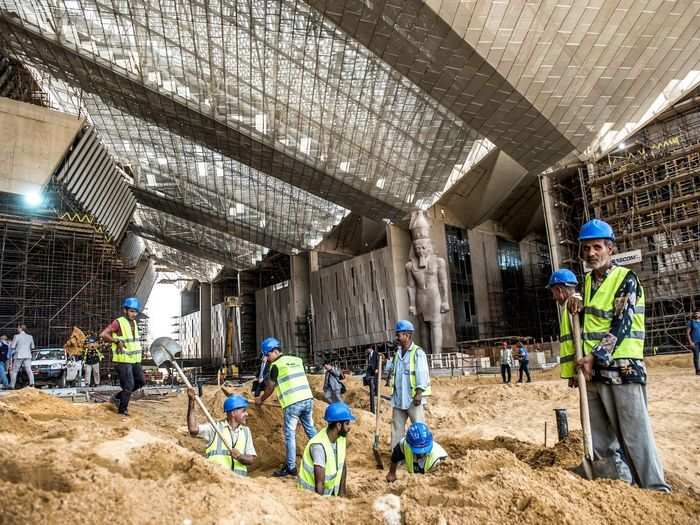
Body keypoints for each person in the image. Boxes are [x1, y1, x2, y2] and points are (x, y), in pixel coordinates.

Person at [568, 218, 670, 492]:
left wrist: (596, 356)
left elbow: (622, 324)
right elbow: (588, 324)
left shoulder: (626, 279)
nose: (591, 253)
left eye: (597, 247)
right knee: (601, 439)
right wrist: (574, 302)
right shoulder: (587, 283)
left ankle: (656, 489)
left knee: (635, 436)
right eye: (586, 248)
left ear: (610, 248)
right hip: (593, 372)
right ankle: (618, 488)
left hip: (623, 369)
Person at [255, 337, 316, 477]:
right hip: (307, 398)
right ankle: (325, 451)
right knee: (310, 429)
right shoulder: (297, 360)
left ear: (275, 351)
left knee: (290, 435)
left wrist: (261, 399)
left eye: (267, 355)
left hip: (292, 403)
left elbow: (270, 387)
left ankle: (291, 466)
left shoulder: (275, 366)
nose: (267, 358)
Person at [186, 388, 256, 475]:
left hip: (239, 485)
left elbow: (251, 459)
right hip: (218, 482)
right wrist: (191, 401)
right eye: (243, 411)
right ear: (233, 413)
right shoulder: (215, 428)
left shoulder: (246, 432)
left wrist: (239, 457)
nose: (247, 414)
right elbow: (193, 429)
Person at [100, 297, 145, 416]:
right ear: (125, 310)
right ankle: (122, 411)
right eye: (131, 311)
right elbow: (103, 334)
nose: (134, 314)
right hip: (123, 360)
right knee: (129, 385)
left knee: (141, 381)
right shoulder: (118, 322)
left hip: (134, 359)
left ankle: (117, 397)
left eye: (135, 311)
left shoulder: (134, 322)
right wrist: (116, 340)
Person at [389, 320, 430, 449]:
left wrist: (419, 393)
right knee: (396, 429)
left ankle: (421, 454)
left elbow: (422, 373)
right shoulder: (397, 354)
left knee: (418, 428)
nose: (397, 337)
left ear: (407, 335)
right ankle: (398, 456)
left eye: (399, 335)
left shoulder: (418, 353)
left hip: (413, 399)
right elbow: (393, 373)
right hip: (399, 399)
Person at [298, 402, 354, 496]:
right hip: (310, 497)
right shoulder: (319, 446)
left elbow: (342, 466)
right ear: (339, 425)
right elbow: (320, 484)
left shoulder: (341, 438)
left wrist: (342, 495)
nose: (349, 428)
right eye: (347, 423)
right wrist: (323, 506)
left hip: (329, 494)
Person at [547, 268, 580, 385]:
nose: (553, 297)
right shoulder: (572, 304)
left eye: (553, 293)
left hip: (582, 369)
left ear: (559, 290)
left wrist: (577, 372)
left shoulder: (573, 305)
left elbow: (580, 341)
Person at [9, 324, 35, 389]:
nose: (17, 329)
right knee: (29, 370)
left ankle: (12, 386)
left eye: (18, 328)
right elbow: (33, 347)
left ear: (20, 328)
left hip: (19, 355)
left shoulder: (16, 336)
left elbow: (12, 346)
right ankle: (32, 384)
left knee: (15, 371)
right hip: (28, 355)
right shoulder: (30, 336)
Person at [365, 346, 379, 413]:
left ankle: (376, 392)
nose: (367, 350)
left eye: (368, 349)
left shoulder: (376, 353)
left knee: (375, 380)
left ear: (370, 349)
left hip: (375, 369)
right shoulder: (368, 354)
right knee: (368, 378)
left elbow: (378, 361)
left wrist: (377, 368)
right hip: (370, 368)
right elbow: (368, 360)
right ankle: (371, 389)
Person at [686, 310, 700, 375]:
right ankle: (698, 371)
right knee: (696, 356)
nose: (697, 314)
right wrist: (690, 342)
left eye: (698, 313)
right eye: (696, 313)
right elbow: (688, 333)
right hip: (695, 342)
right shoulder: (691, 322)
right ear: (694, 314)